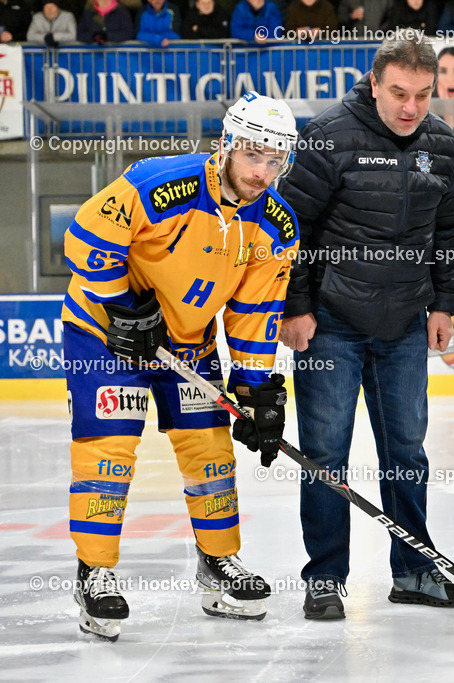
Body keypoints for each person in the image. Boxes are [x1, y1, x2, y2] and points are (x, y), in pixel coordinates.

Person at [61, 92, 300, 641]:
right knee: (109, 449)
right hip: (105, 336)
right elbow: (86, 233)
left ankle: (218, 565)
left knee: (210, 451)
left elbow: (255, 309)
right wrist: (124, 308)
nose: (262, 172)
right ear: (225, 146)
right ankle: (94, 572)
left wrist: (254, 388)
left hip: (186, 345)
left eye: (273, 160)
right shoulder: (160, 183)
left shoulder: (277, 226)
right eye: (252, 155)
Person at [277, 36, 454, 620]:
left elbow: (448, 233)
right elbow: (290, 228)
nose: (411, 108)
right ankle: (325, 578)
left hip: (405, 324)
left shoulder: (440, 143)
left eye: (421, 94)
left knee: (407, 451)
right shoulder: (329, 135)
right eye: (398, 94)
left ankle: (414, 570)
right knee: (325, 455)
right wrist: (295, 306)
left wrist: (444, 305)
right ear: (375, 81)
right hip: (331, 324)